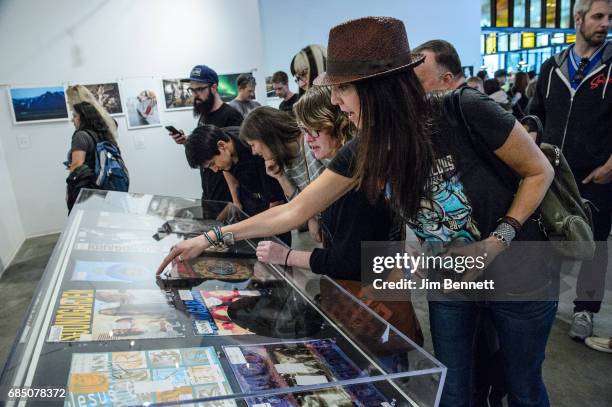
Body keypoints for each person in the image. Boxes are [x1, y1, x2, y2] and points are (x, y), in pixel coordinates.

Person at [159, 17, 555, 406]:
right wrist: (207, 238)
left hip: (519, 267)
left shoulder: (463, 109)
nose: (334, 101)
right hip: (449, 274)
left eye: (343, 89)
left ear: (378, 89)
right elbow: (293, 211)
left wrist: (495, 241)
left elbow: (539, 171)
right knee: (451, 388)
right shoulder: (365, 146)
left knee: (521, 386)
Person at [529, 0, 612, 342]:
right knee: (548, 238)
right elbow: (535, 113)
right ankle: (543, 301)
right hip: (552, 175)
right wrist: (532, 151)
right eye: (598, 16)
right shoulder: (552, 66)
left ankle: (585, 311)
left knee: (595, 245)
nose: (605, 23)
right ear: (578, 19)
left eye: (609, 17)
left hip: (598, 176)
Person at [184, 124, 290, 245]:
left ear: (222, 146)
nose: (215, 170)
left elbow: (275, 201)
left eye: (213, 163)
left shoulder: (254, 149)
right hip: (249, 196)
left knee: (276, 245)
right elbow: (227, 170)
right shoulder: (223, 139)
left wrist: (265, 230)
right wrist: (236, 202)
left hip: (272, 199)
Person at [239, 106, 326, 240]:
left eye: (253, 144)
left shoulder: (312, 142)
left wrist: (313, 217)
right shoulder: (284, 160)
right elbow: (299, 205)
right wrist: (280, 176)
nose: (254, 152)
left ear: (266, 136)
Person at [169, 65, 243, 207]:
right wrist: (187, 142)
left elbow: (238, 160)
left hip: (228, 196)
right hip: (209, 192)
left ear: (214, 87)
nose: (195, 94)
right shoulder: (204, 115)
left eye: (200, 89)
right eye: (192, 90)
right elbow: (206, 150)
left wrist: (236, 200)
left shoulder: (230, 115)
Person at [65, 101, 126, 211]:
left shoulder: (81, 135)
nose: (72, 120)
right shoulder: (104, 133)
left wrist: (69, 193)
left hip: (88, 190)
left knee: (84, 223)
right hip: (107, 187)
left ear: (83, 117)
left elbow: (77, 166)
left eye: (75, 116)